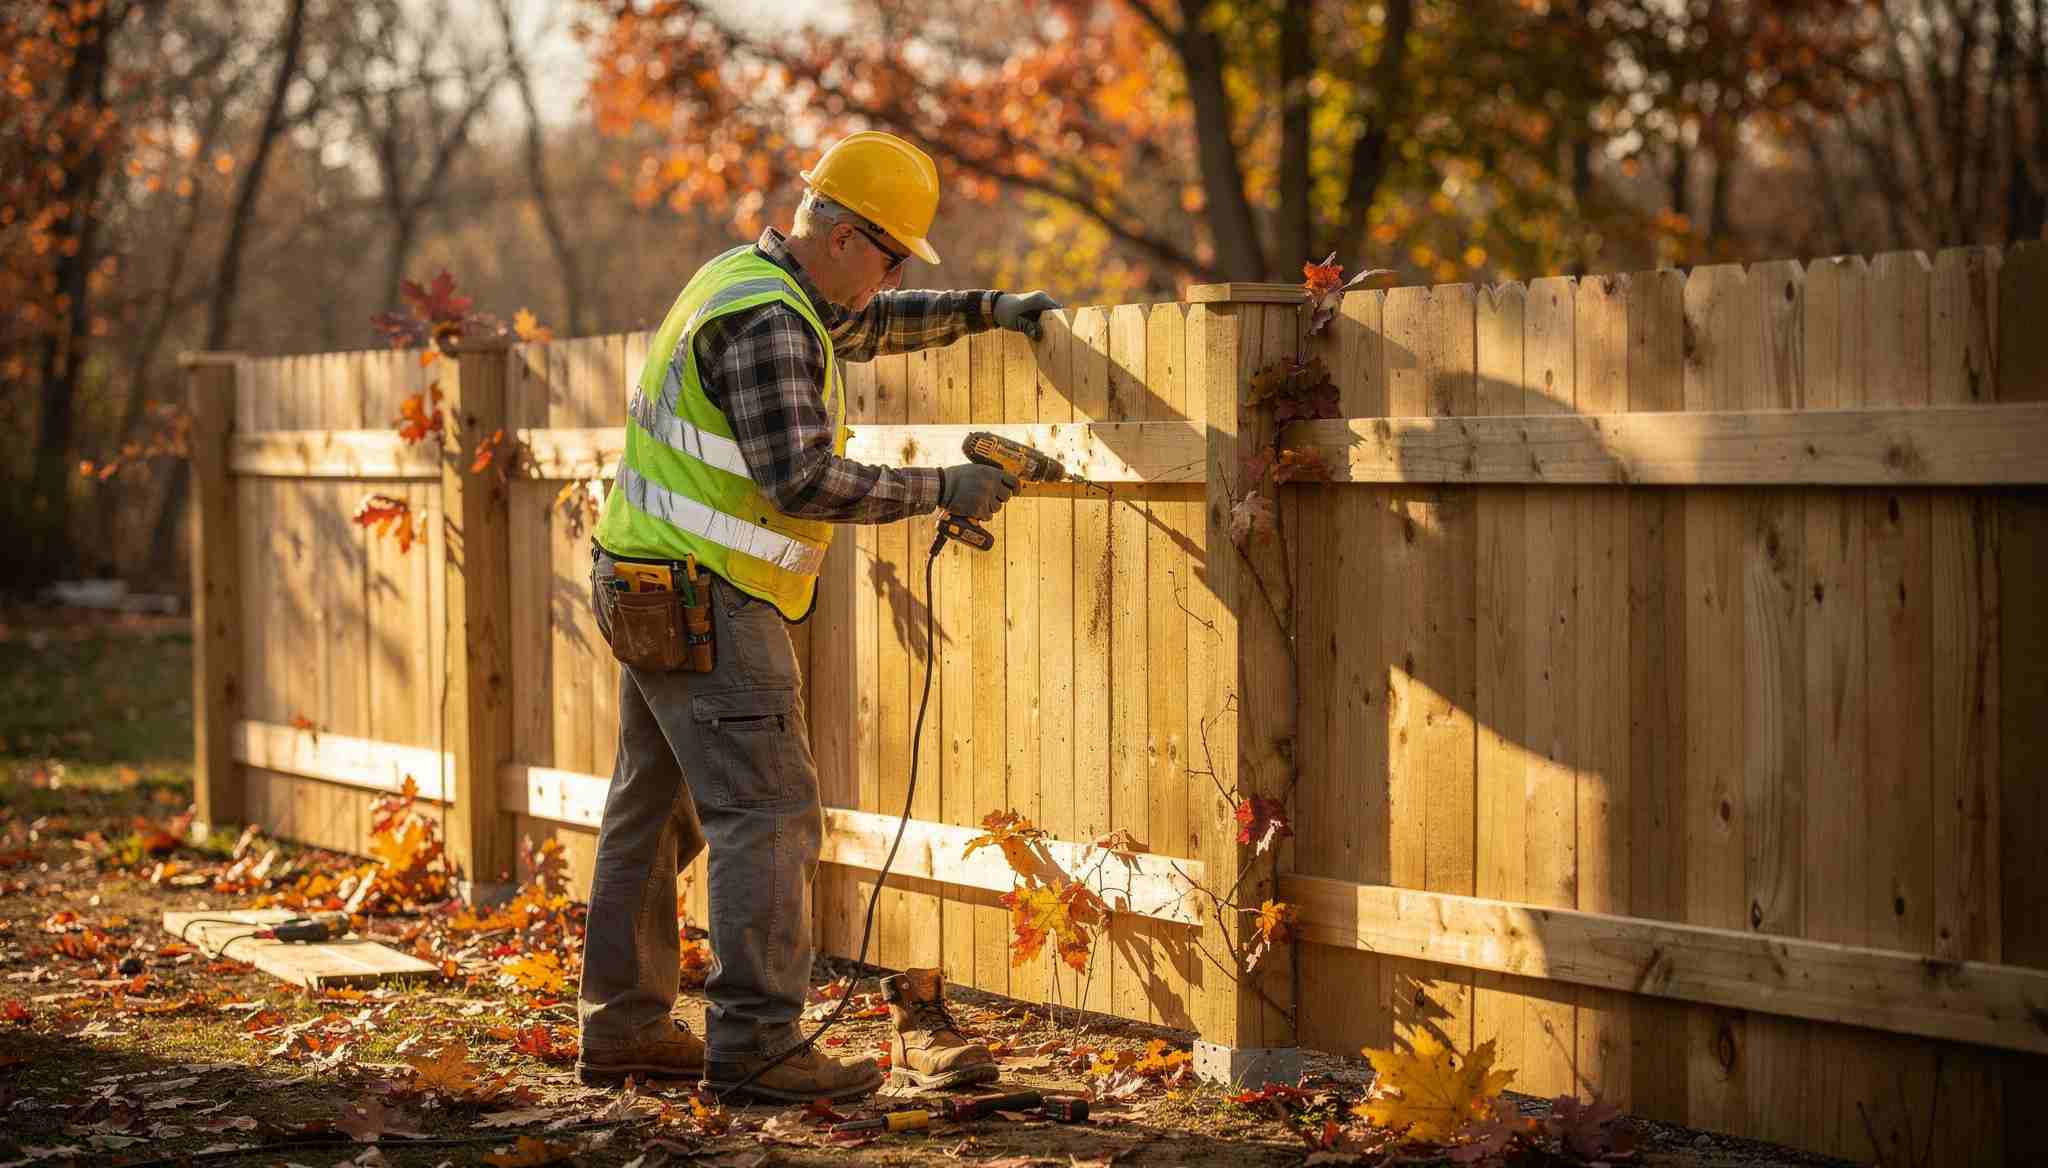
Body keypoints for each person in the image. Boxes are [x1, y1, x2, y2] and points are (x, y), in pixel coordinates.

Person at [573, 130, 1060, 1103]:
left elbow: (866, 327)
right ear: (841, 235)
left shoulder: (748, 281)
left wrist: (984, 311)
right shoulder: (773, 326)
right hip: (709, 597)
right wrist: (943, 486)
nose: (886, 282)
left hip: (645, 582)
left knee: (650, 811)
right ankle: (755, 1044)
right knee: (768, 815)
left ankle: (622, 1028)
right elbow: (798, 477)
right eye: (885, 258)